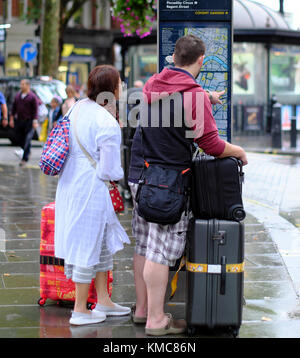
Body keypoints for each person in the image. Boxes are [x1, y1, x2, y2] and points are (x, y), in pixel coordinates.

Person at [128, 34, 248, 336]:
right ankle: (156, 321)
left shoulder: (152, 85)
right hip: (170, 182)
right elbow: (211, 145)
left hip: (143, 175)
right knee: (159, 250)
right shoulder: (191, 96)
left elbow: (173, 101)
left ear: (173, 58)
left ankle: (142, 310)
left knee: (144, 243)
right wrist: (239, 152)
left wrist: (205, 97)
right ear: (201, 60)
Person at [54, 65, 131, 326]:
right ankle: (80, 310)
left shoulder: (77, 107)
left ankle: (103, 300)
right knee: (88, 245)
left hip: (70, 184)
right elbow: (111, 169)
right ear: (113, 88)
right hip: (92, 188)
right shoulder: (105, 120)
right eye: (120, 83)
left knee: (99, 245)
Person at [9, 79, 39, 166]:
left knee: (28, 139)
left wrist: (35, 121)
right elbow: (13, 108)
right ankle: (27, 150)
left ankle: (24, 159)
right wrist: (11, 119)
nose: (21, 86)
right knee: (18, 137)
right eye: (21, 84)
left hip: (29, 121)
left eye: (23, 84)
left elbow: (35, 110)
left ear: (27, 85)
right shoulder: (18, 96)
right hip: (19, 121)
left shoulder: (32, 97)